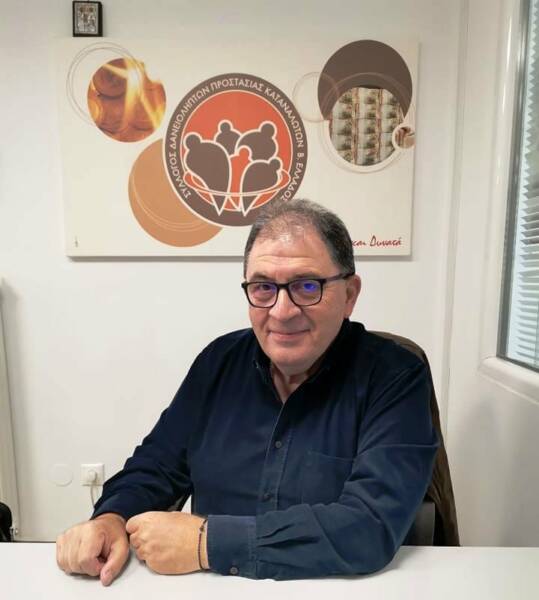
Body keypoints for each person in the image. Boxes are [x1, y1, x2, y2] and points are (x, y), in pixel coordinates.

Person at [56, 198, 438, 584]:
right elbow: (157, 466)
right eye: (263, 287)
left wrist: (207, 543)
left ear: (349, 295)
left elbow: (370, 526)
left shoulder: (396, 376)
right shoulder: (219, 362)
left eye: (307, 286)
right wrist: (112, 517)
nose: (282, 311)